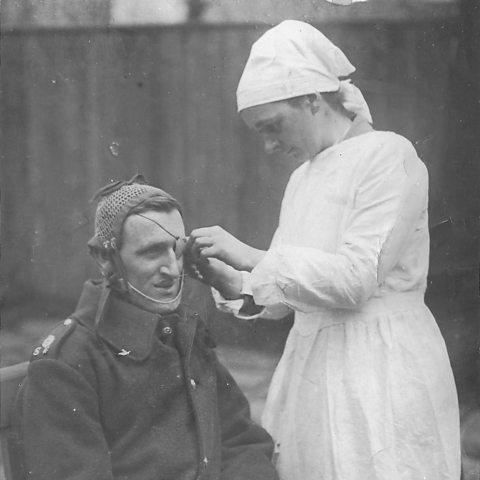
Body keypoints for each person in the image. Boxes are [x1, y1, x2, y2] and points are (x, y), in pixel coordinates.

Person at [187, 20, 461, 480]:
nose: (271, 145)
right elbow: (290, 291)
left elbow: (356, 280)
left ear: (313, 99)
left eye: (274, 126)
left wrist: (250, 256)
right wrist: (231, 281)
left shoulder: (388, 156)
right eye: (261, 134)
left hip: (381, 364)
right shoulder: (302, 179)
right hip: (312, 366)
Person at [13, 175, 279, 480]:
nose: (172, 269)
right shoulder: (69, 361)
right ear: (105, 259)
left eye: (178, 250)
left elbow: (240, 441)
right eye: (151, 252)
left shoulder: (185, 331)